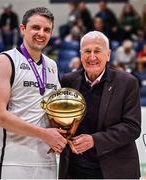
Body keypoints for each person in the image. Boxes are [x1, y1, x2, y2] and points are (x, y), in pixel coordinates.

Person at [0, 7, 67, 179]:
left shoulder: (52, 66)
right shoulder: (5, 60)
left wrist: (64, 131)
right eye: (36, 27)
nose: (41, 33)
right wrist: (44, 134)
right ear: (23, 29)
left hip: (47, 162)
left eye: (47, 30)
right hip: (13, 162)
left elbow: (54, 112)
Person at [59, 31, 141, 179]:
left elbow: (132, 127)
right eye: (87, 51)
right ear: (80, 54)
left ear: (108, 55)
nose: (92, 57)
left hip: (115, 171)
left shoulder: (127, 82)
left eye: (97, 51)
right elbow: (63, 121)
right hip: (75, 171)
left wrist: (94, 141)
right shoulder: (68, 81)